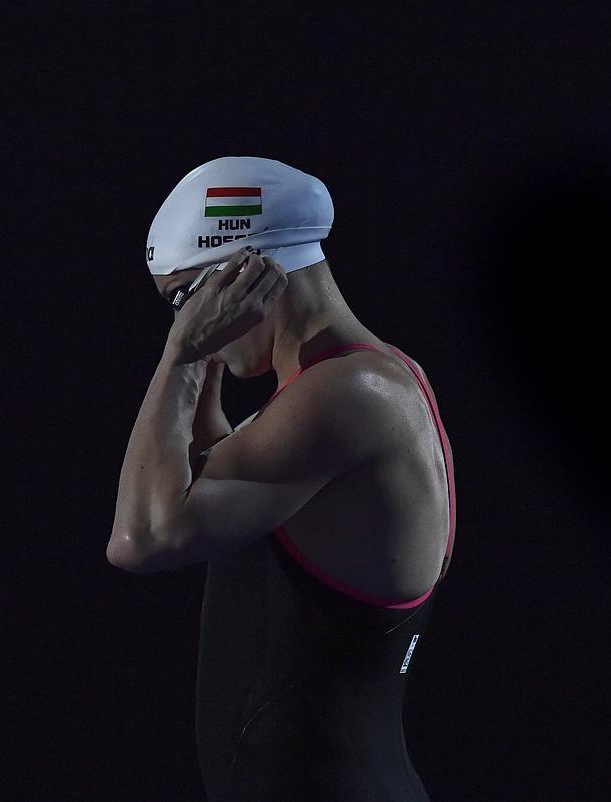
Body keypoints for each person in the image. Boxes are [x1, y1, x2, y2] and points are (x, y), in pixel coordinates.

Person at [109, 156, 456, 801]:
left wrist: (182, 355)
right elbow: (207, 478)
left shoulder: (352, 393)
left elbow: (143, 537)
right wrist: (204, 356)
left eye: (184, 299)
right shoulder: (342, 386)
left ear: (243, 273)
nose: (183, 322)